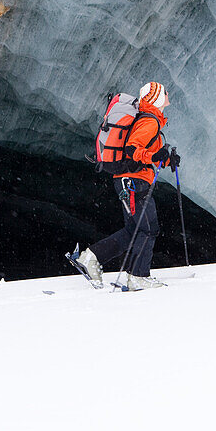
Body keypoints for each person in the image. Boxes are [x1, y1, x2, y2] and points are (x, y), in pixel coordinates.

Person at [75, 82, 180, 290]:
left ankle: (91, 257)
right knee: (149, 229)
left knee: (134, 230)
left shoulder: (150, 121)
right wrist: (154, 155)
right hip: (134, 182)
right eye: (164, 92)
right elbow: (134, 150)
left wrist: (168, 160)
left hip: (129, 180)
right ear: (157, 98)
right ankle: (138, 276)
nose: (168, 94)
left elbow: (149, 154)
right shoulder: (149, 122)